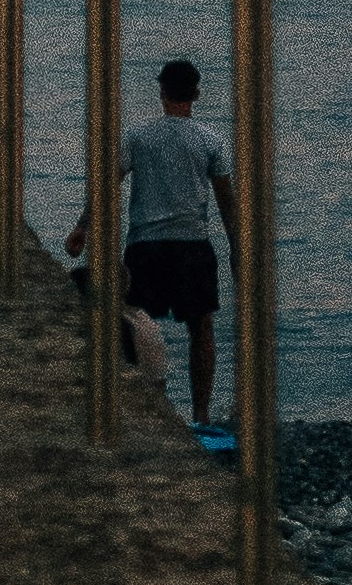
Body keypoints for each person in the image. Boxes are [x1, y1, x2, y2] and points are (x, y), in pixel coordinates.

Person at [62, 55, 237, 431]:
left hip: (146, 245)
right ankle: (201, 415)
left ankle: (140, 407)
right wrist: (240, 249)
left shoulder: (138, 137)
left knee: (132, 321)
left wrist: (82, 228)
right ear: (196, 94)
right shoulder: (210, 140)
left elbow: (107, 185)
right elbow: (227, 203)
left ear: (162, 93)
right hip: (193, 246)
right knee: (201, 328)